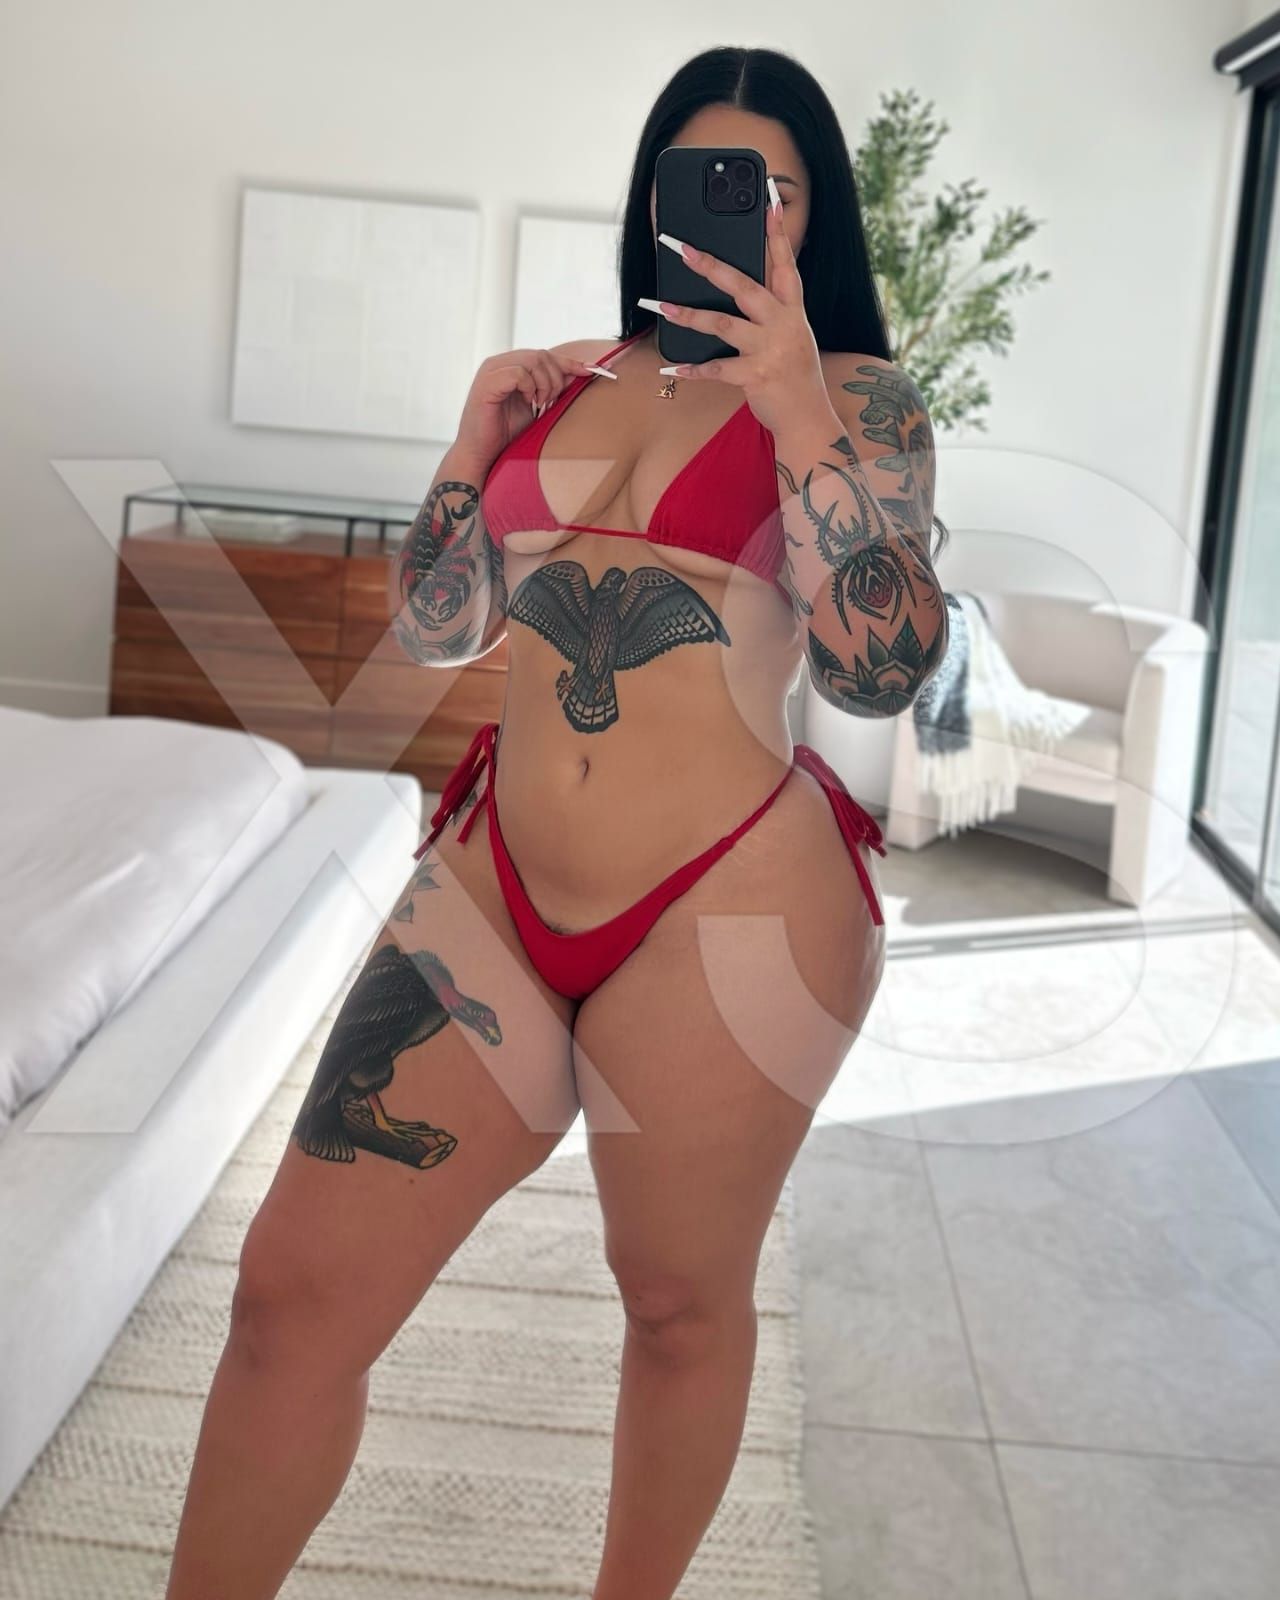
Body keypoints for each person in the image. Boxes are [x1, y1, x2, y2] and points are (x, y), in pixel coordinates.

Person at [164, 43, 949, 1600]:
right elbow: (438, 625)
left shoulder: (862, 400)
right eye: (701, 182)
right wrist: (473, 440)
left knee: (677, 1305)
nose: (738, 212)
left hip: (729, 902)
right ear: (653, 204)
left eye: (775, 188)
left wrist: (795, 403)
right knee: (288, 1296)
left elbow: (881, 669)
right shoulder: (575, 379)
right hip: (497, 885)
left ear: (819, 217)